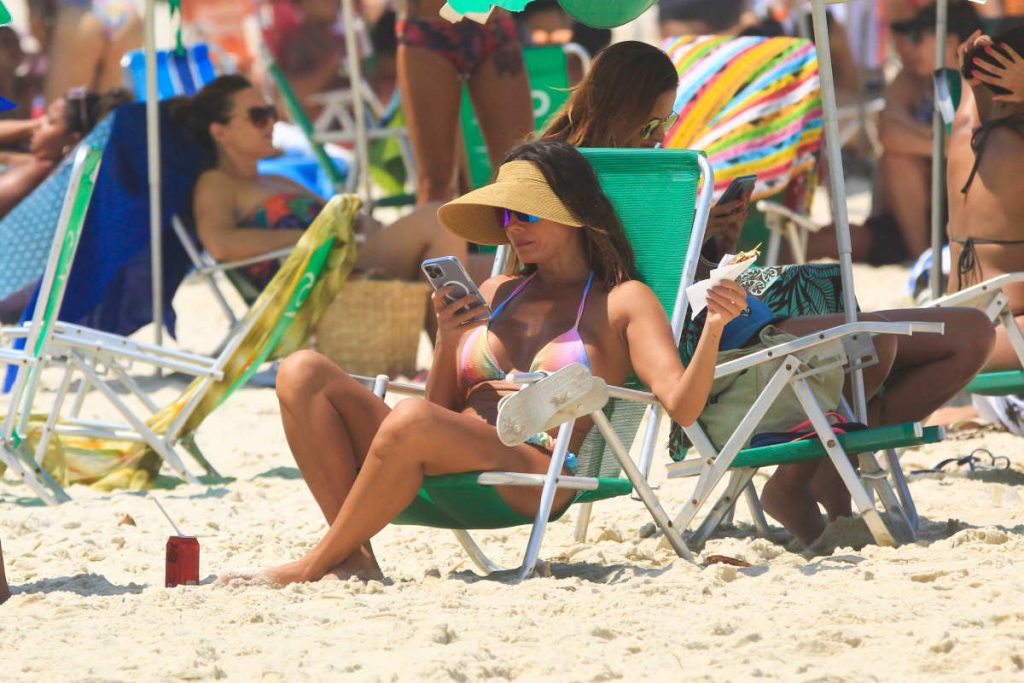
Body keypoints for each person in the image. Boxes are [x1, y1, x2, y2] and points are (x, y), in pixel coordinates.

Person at [222, 139, 751, 585]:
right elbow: (439, 410)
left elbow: (682, 406)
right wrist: (448, 339)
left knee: (410, 419)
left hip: (536, 465)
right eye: (506, 216)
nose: (513, 228)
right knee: (301, 370)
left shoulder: (623, 300)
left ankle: (316, 563)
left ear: (573, 212)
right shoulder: (497, 290)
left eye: (527, 213)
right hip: (445, 444)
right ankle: (354, 558)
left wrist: (713, 327)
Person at [541, 40, 994, 544]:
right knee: (872, 342)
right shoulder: (572, 176)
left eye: (666, 123)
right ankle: (803, 477)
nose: (660, 137)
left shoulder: (645, 171)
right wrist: (695, 241)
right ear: (617, 106)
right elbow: (617, 284)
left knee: (971, 332)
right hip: (705, 342)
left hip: (740, 314)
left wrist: (712, 242)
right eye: (651, 125)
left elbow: (678, 271)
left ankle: (830, 458)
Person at [175, 75, 465, 323]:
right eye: (257, 116)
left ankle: (453, 351)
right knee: (437, 218)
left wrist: (360, 223)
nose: (271, 123)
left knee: (480, 269)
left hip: (350, 260)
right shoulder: (216, 185)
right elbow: (220, 243)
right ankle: (447, 350)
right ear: (220, 131)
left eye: (271, 112)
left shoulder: (274, 179)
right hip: (321, 282)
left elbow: (343, 217)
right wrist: (305, 239)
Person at [864, 0, 981, 264]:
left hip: (963, 205)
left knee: (898, 160)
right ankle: (922, 260)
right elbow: (887, 132)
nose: (909, 47)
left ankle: (923, 260)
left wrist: (929, 139)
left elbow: (966, 150)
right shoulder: (920, 79)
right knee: (894, 159)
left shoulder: (971, 84)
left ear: (950, 42)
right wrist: (939, 142)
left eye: (918, 38)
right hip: (919, 205)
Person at [396, 0, 534, 203]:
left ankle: (508, 223)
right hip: (427, 27)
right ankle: (443, 225)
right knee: (436, 183)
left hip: (493, 25)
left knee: (518, 169)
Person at [0, 86, 129, 220]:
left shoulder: (42, 169)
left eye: (50, 121)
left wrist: (34, 126)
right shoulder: (41, 164)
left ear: (73, 140)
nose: (38, 125)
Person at [28, 0, 143, 103]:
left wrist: (46, 44)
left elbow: (36, 16)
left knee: (65, 111)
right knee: (114, 110)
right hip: (125, 12)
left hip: (77, 13)